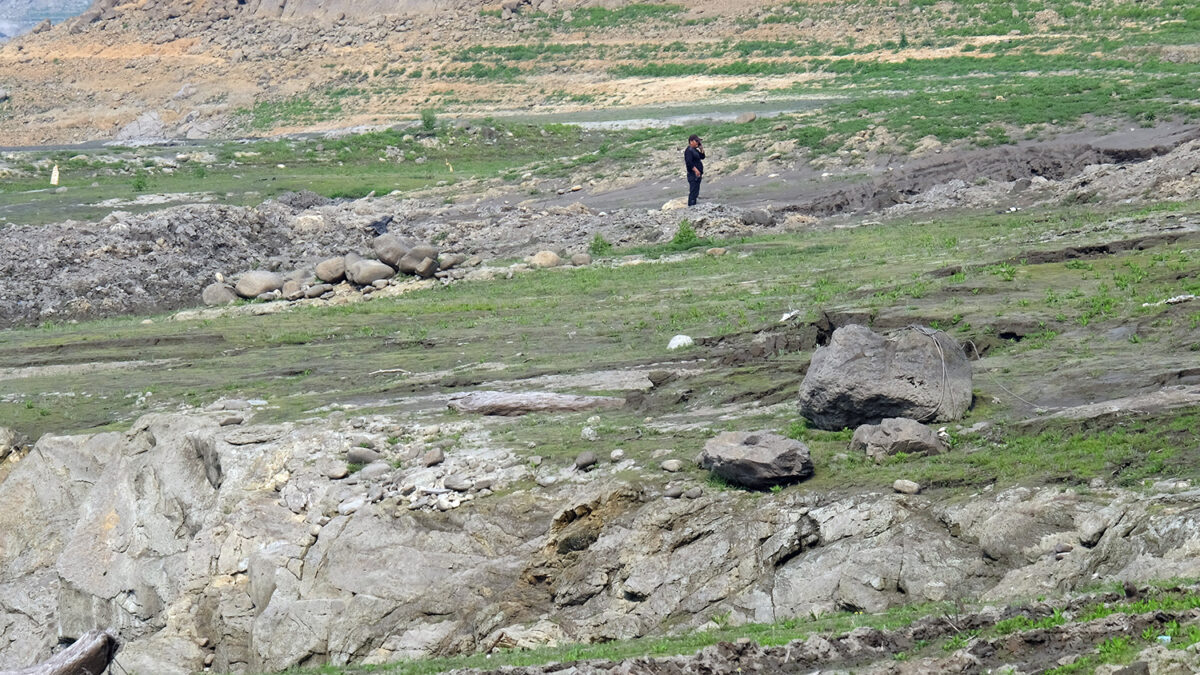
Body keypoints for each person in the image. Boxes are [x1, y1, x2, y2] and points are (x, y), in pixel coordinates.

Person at [683, 133, 705, 206]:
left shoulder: (695, 150)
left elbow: (702, 157)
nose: (698, 143)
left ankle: (694, 205)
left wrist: (701, 149)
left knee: (696, 192)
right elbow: (689, 163)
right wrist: (696, 170)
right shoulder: (688, 151)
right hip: (693, 174)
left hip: (698, 174)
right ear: (691, 141)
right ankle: (691, 206)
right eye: (696, 141)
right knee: (693, 192)